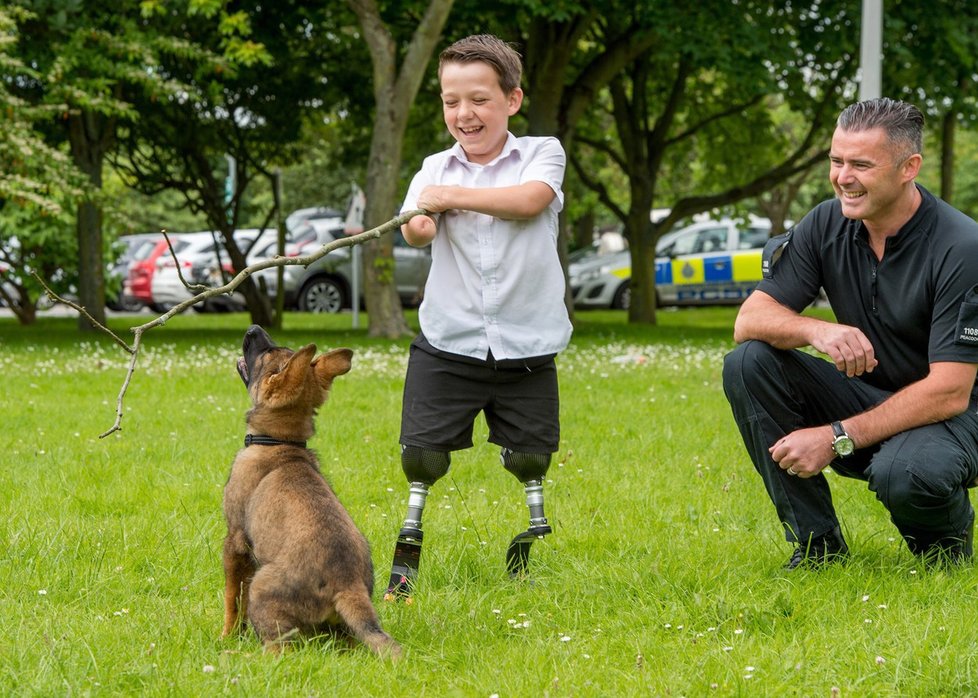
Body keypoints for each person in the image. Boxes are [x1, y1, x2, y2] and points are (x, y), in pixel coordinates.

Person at [722, 97, 978, 569]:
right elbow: (748, 321)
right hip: (872, 395)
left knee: (905, 472)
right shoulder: (826, 221)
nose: (843, 176)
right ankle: (818, 548)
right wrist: (815, 329)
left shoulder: (962, 246)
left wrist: (835, 437)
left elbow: (950, 392)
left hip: (957, 416)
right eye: (836, 161)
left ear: (909, 167)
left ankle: (946, 551)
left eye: (861, 164)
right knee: (749, 362)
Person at [385, 34, 572, 596]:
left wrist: (452, 197)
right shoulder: (432, 170)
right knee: (421, 455)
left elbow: (528, 202)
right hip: (450, 341)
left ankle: (529, 543)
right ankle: (407, 551)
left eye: (479, 99)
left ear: (512, 100)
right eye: (450, 101)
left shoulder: (543, 152)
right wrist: (420, 219)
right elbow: (417, 227)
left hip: (527, 346)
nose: (464, 114)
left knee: (532, 456)